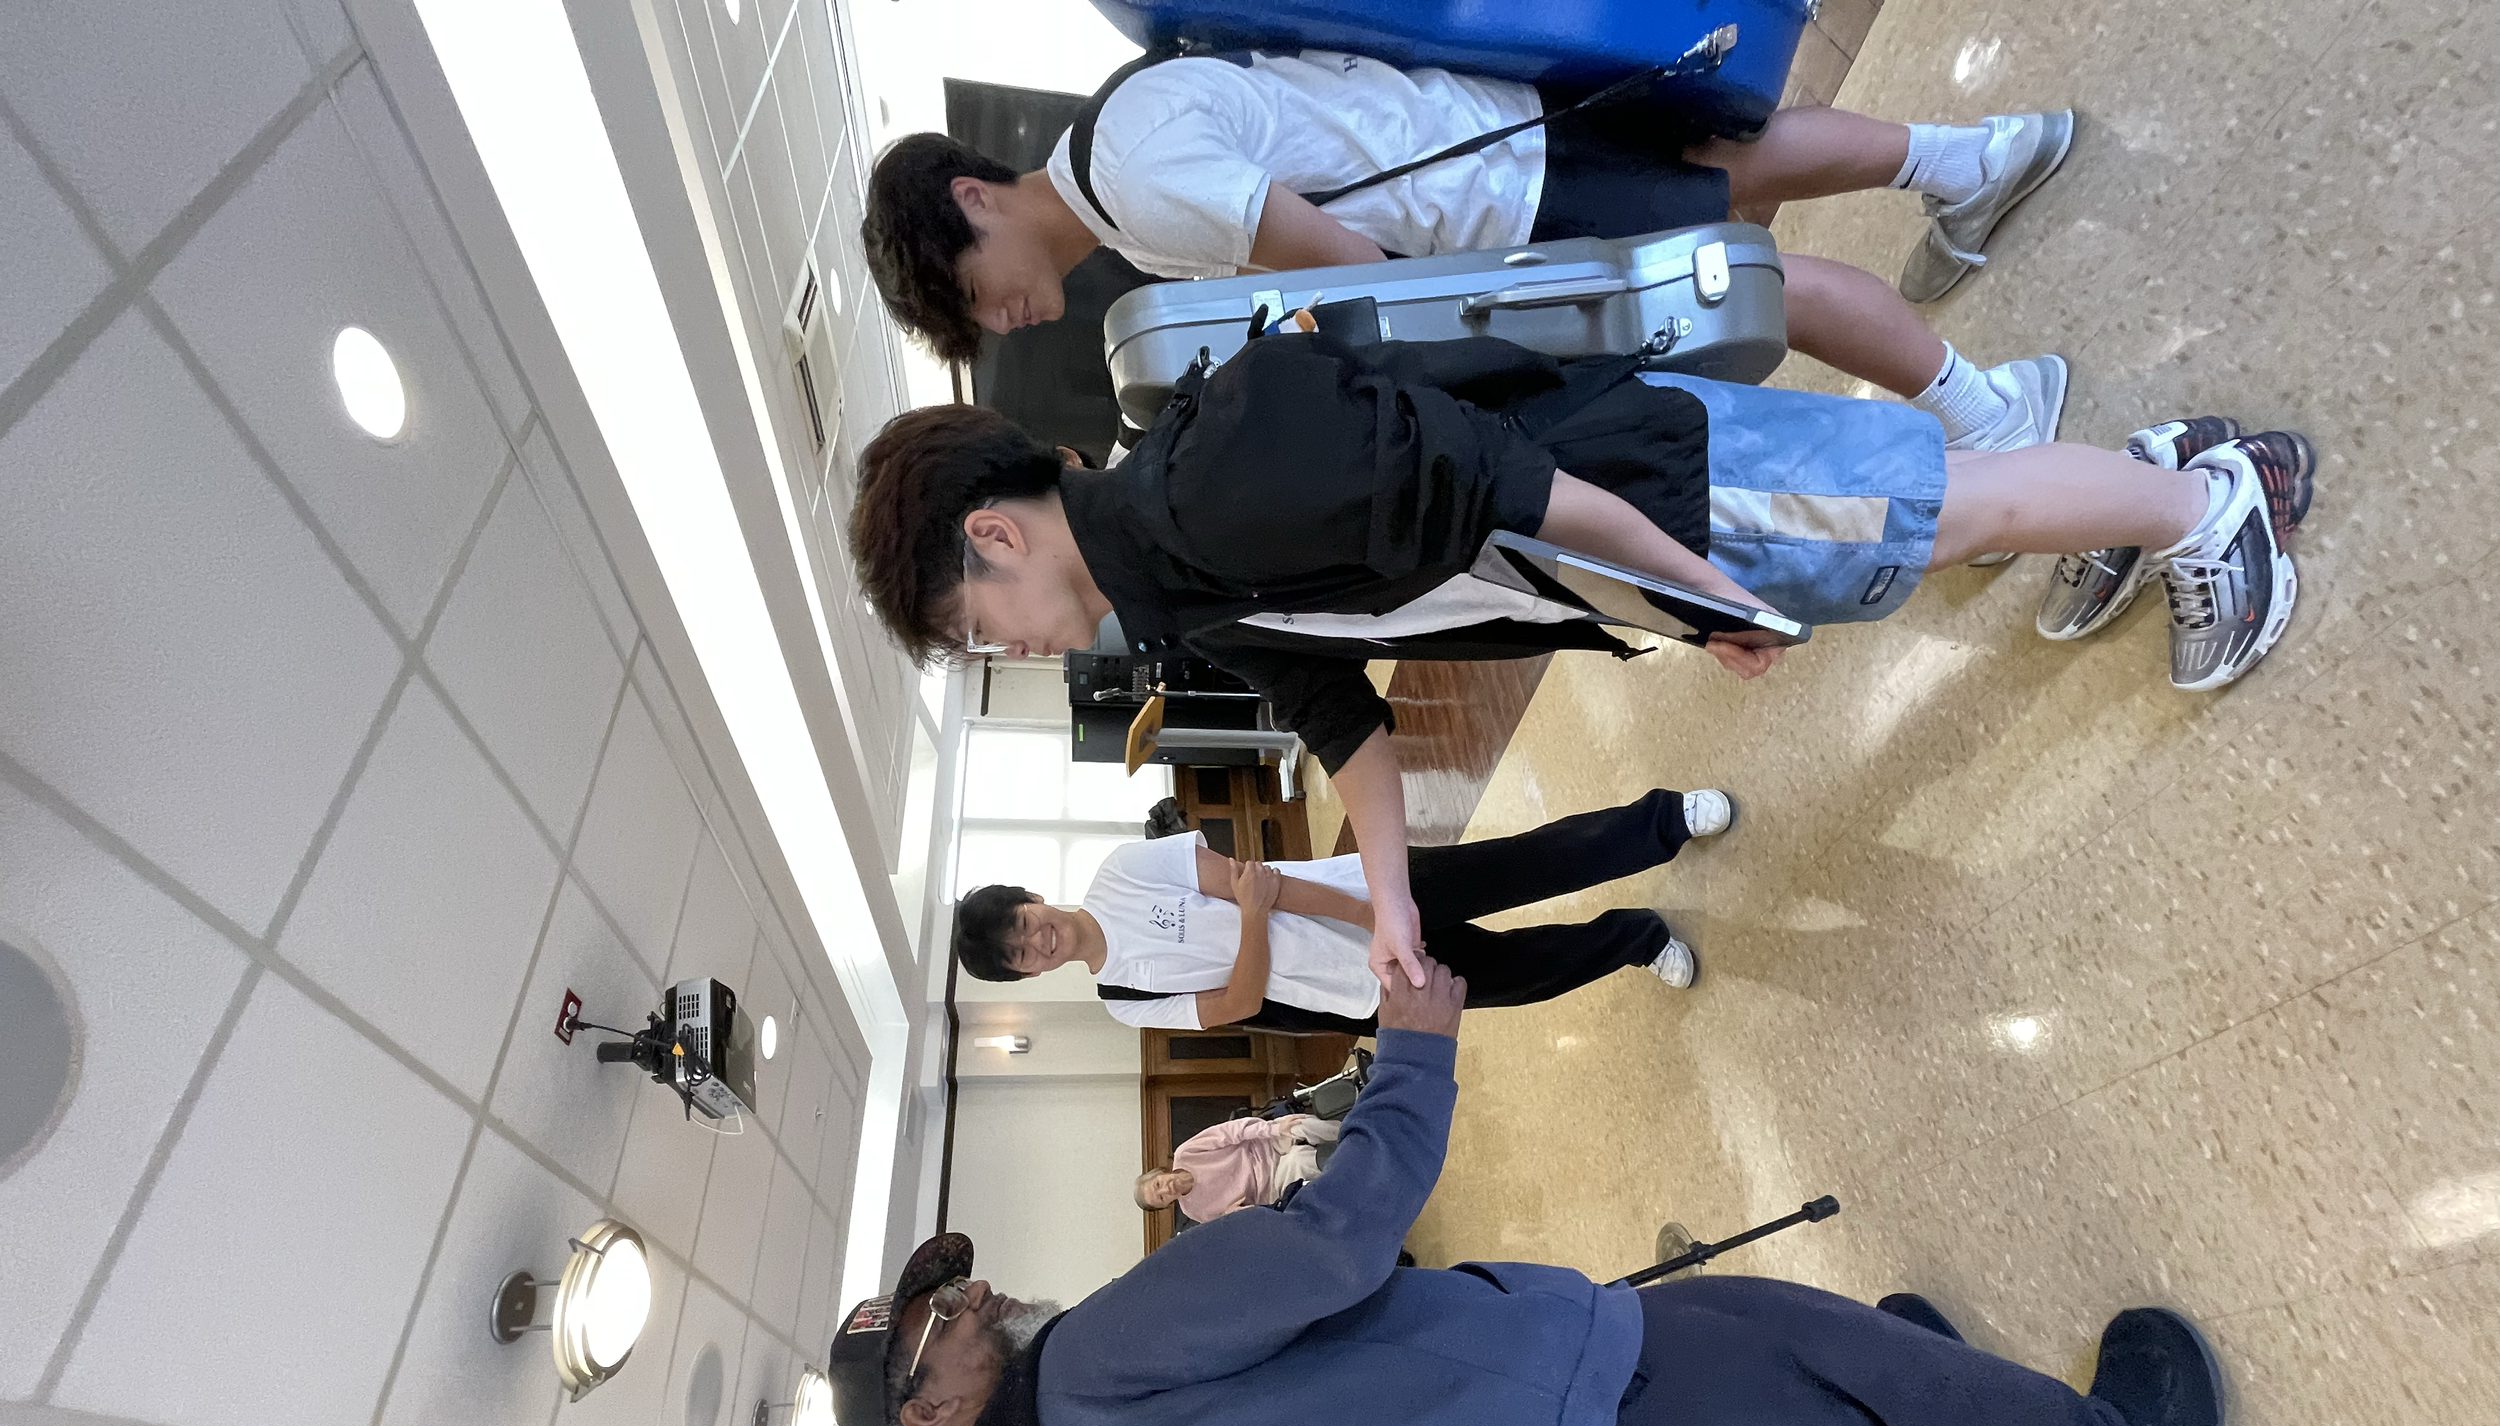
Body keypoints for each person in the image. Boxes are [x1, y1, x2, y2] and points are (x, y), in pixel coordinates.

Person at [823, 962, 2233, 1426]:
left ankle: (1925, 1393)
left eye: (953, 1284)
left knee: (1819, 1416)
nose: (976, 1295)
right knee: (1817, 1355)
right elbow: (1338, 1237)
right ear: (931, 1412)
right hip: (1557, 1424)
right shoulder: (1087, 1362)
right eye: (943, 1318)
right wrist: (1416, 1045)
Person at [851, 333, 2313, 988]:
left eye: (989, 625)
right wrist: (1392, 904)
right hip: (1623, 546)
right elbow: (1338, 720)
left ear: (995, 533)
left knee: (1921, 517)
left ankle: (2209, 512)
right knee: (1907, 526)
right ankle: (2151, 479)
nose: (1023, 649)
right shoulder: (1172, 585)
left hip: (1639, 482)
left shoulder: (1210, 477)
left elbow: (1504, 476)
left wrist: (1700, 584)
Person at [863, 63, 2080, 450]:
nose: (1011, 320)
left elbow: (1346, 267)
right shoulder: (1120, 152)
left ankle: (1984, 414)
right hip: (1481, 136)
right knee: (1734, 167)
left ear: (976, 196)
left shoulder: (1136, 184)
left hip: (1488, 208)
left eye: (979, 297)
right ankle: (1969, 160)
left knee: (1741, 275)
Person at [955, 789, 1733, 1032]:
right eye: (1021, 954)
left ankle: (1661, 821)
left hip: (1366, 891)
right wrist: (1255, 922)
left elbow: (1256, 880)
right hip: (1355, 991)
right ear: (1031, 972)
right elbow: (1240, 999)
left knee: (1525, 864)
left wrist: (1370, 915)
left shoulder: (1120, 871)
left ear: (1030, 899)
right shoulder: (1122, 1002)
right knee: (1523, 976)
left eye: (1022, 924)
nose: (1037, 940)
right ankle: (1641, 938)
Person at [1138, 1112, 1343, 1222]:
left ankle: (1353, 1133)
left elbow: (1231, 1131)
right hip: (1272, 1182)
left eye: (1157, 1185)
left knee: (1301, 1124)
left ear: (1159, 1173)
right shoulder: (1195, 1211)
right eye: (1162, 1198)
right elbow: (1229, 1223)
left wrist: (1272, 1128)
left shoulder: (1186, 1153)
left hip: (1266, 1144)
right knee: (1299, 1160)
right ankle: (1352, 1161)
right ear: (1166, 1205)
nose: (1166, 1189)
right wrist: (1231, 1214)